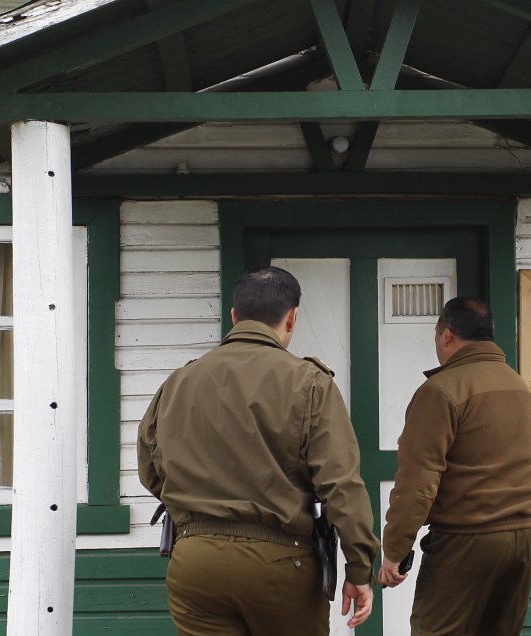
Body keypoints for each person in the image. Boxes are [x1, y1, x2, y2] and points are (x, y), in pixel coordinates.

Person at [138, 266, 379, 636]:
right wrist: (359, 567)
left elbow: (151, 470)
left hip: (195, 560)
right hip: (281, 563)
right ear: (292, 318)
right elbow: (340, 485)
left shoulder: (179, 382)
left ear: (234, 316)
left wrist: (199, 507)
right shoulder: (310, 383)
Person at [379, 297, 531, 636]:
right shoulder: (519, 386)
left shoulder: (442, 390)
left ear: (447, 336)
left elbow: (420, 480)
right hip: (527, 534)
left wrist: (395, 549)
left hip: (468, 536)